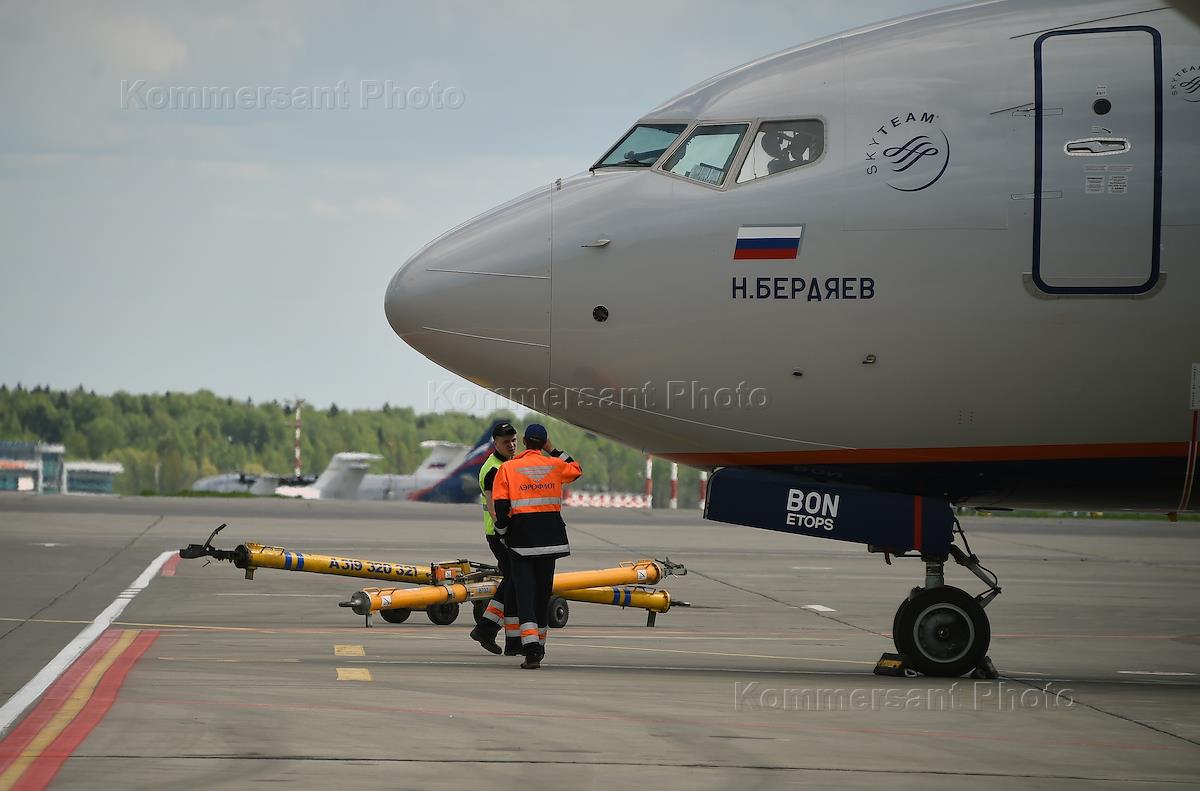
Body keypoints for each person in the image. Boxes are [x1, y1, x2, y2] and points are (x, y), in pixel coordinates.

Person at [492, 423, 582, 669]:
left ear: (523, 441)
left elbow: (501, 507)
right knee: (543, 595)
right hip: (551, 542)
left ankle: (530, 649)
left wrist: (503, 533)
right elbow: (576, 469)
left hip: (521, 542)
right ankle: (539, 646)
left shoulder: (508, 468)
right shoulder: (555, 466)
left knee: (525, 596)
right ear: (543, 443)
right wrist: (552, 450)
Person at [469, 421, 521, 656]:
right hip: (499, 533)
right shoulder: (493, 469)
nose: (511, 445)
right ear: (495, 443)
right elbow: (493, 508)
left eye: (514, 440)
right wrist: (504, 531)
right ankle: (487, 629)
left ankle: (491, 631)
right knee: (515, 580)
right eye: (506, 442)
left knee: (513, 581)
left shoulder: (507, 464)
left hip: (505, 532)